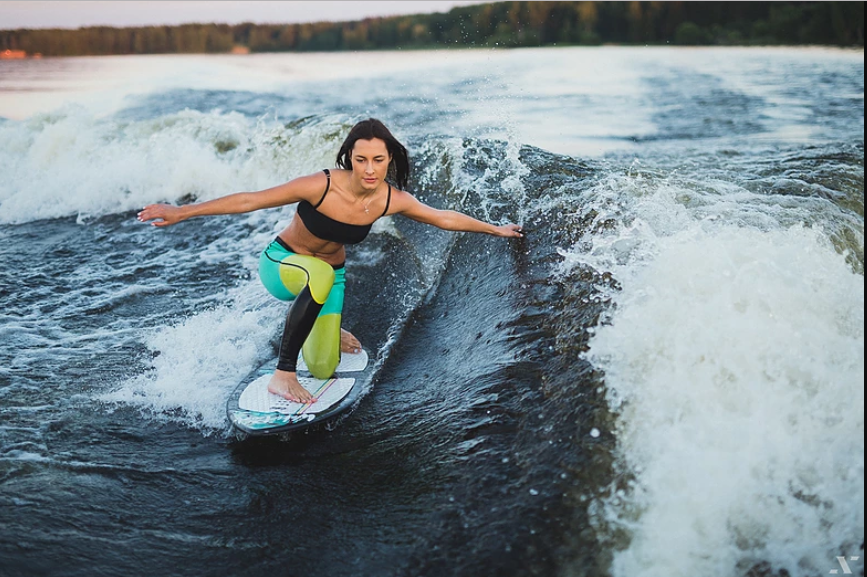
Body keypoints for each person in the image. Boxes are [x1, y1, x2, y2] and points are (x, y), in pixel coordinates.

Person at [138, 119, 523, 404]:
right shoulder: (321, 185)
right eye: (361, 160)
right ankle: (282, 374)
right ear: (349, 159)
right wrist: (183, 211)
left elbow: (443, 217)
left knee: (324, 366)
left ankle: (325, 327)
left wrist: (496, 229)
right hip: (282, 265)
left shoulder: (391, 199)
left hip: (329, 280)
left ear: (390, 159)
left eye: (378, 160)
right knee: (318, 273)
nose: (369, 169)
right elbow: (249, 200)